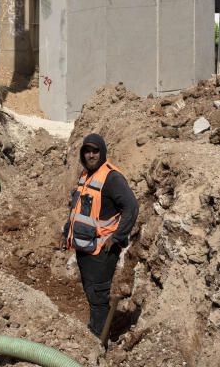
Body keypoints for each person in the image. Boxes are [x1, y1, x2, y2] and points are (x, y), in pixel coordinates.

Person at [62, 133, 138, 338]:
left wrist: (117, 236)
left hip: (102, 250)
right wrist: (68, 230)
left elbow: (131, 206)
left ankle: (99, 340)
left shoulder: (112, 178)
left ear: (102, 152)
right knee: (91, 292)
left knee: (98, 296)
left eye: (95, 151)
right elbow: (79, 208)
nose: (91, 155)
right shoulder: (86, 175)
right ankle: (96, 333)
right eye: (87, 151)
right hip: (85, 247)